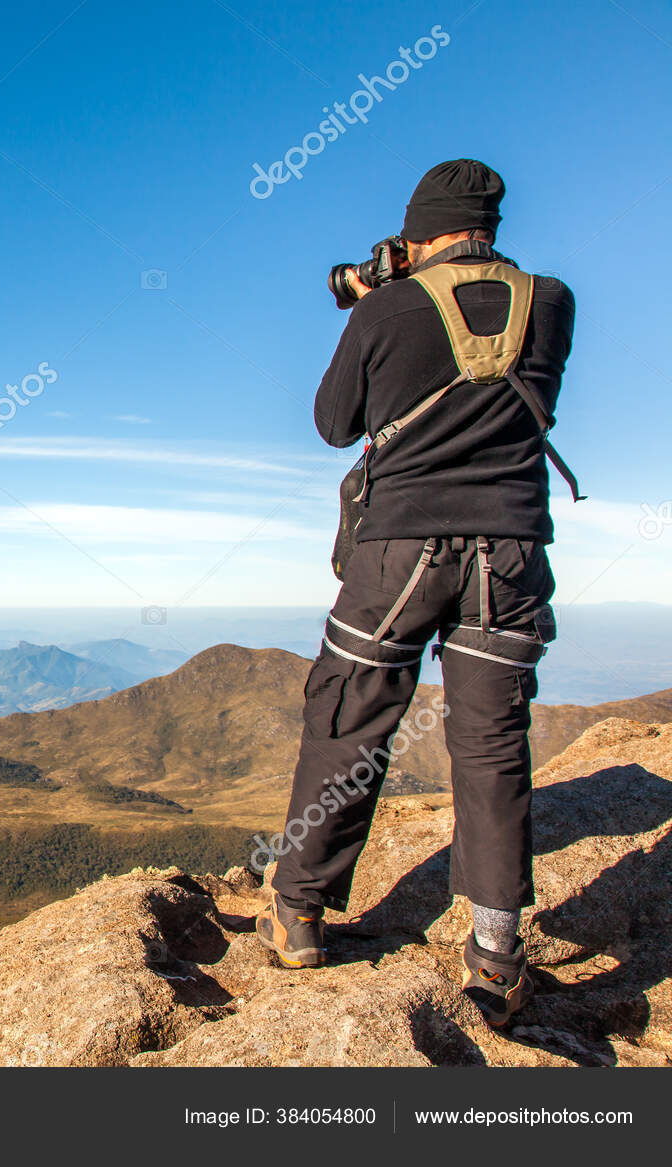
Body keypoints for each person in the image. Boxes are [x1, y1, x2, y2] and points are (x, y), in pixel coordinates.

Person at [256, 159, 577, 1028]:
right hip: (509, 554)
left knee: (351, 712)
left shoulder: (388, 305)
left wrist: (372, 295)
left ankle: (299, 912)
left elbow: (333, 423)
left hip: (401, 552)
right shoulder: (551, 302)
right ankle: (498, 951)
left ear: (420, 230)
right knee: (491, 741)